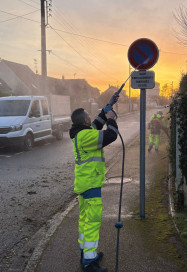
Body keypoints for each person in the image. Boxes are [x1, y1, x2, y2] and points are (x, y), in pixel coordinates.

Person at [69, 107, 118, 272]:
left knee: (84, 222)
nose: (91, 118)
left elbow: (96, 125)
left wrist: (105, 111)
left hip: (85, 184)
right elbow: (111, 135)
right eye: (89, 117)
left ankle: (86, 254)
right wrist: (111, 118)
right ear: (85, 121)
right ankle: (89, 262)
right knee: (92, 223)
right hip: (90, 185)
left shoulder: (81, 133)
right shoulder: (86, 136)